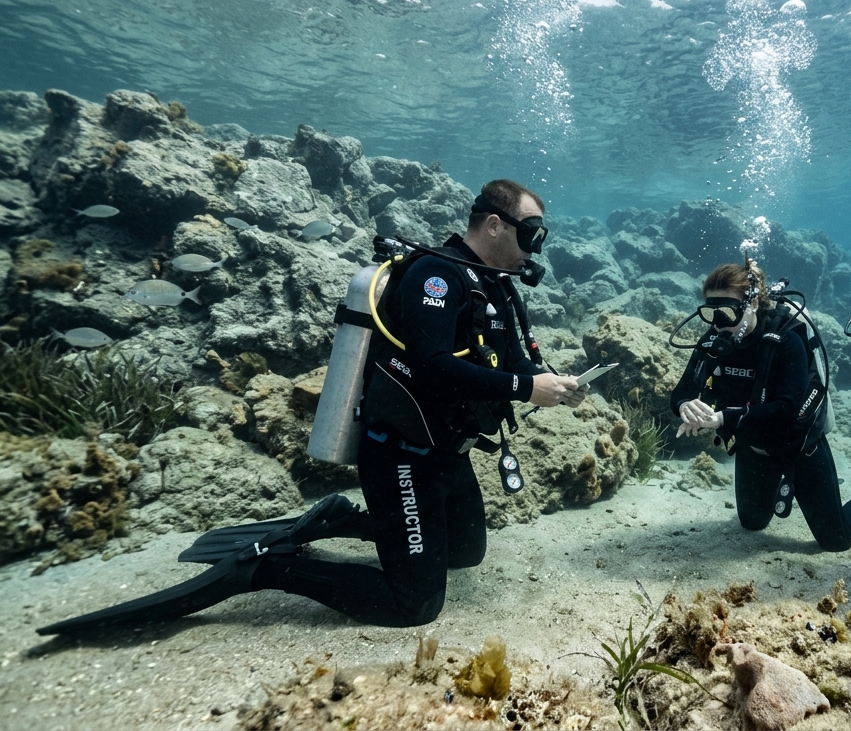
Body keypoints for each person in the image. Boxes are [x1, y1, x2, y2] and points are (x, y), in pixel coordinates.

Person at [39, 179, 584, 636]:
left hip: (446, 450)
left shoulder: (496, 288)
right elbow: (432, 364)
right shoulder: (434, 276)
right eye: (530, 232)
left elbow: (512, 365)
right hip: (402, 454)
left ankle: (343, 519)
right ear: (493, 224)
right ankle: (271, 567)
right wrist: (522, 388)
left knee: (466, 552)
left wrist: (551, 383)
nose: (535, 247)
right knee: (414, 606)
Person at [669, 256, 851, 553]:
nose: (717, 325)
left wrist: (720, 419)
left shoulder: (785, 338)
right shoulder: (715, 340)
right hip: (752, 445)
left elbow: (788, 408)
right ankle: (785, 485)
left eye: (727, 313)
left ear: (751, 305)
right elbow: (681, 391)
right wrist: (684, 404)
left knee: (836, 540)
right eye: (709, 313)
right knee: (752, 523)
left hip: (800, 446)